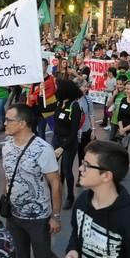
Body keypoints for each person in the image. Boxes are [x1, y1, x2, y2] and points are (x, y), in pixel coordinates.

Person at [2, 103, 70, 258]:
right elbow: (7, 175)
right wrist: (5, 198)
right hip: (14, 215)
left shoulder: (42, 149)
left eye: (9, 120)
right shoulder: (7, 146)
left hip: (38, 216)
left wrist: (55, 216)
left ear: (22, 124)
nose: (5, 123)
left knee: (43, 257)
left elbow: (55, 184)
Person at [52, 79, 83, 210]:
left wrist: (62, 148)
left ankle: (70, 197)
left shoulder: (74, 106)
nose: (56, 90)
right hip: (56, 139)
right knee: (52, 168)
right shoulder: (59, 103)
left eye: (58, 87)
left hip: (68, 142)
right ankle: (55, 190)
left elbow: (73, 131)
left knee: (66, 169)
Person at [76, 78, 95, 166]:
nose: (86, 89)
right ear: (77, 87)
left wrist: (93, 130)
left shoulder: (88, 99)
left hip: (86, 132)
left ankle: (81, 176)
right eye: (84, 87)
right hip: (74, 135)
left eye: (87, 87)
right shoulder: (71, 100)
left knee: (83, 157)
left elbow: (91, 114)